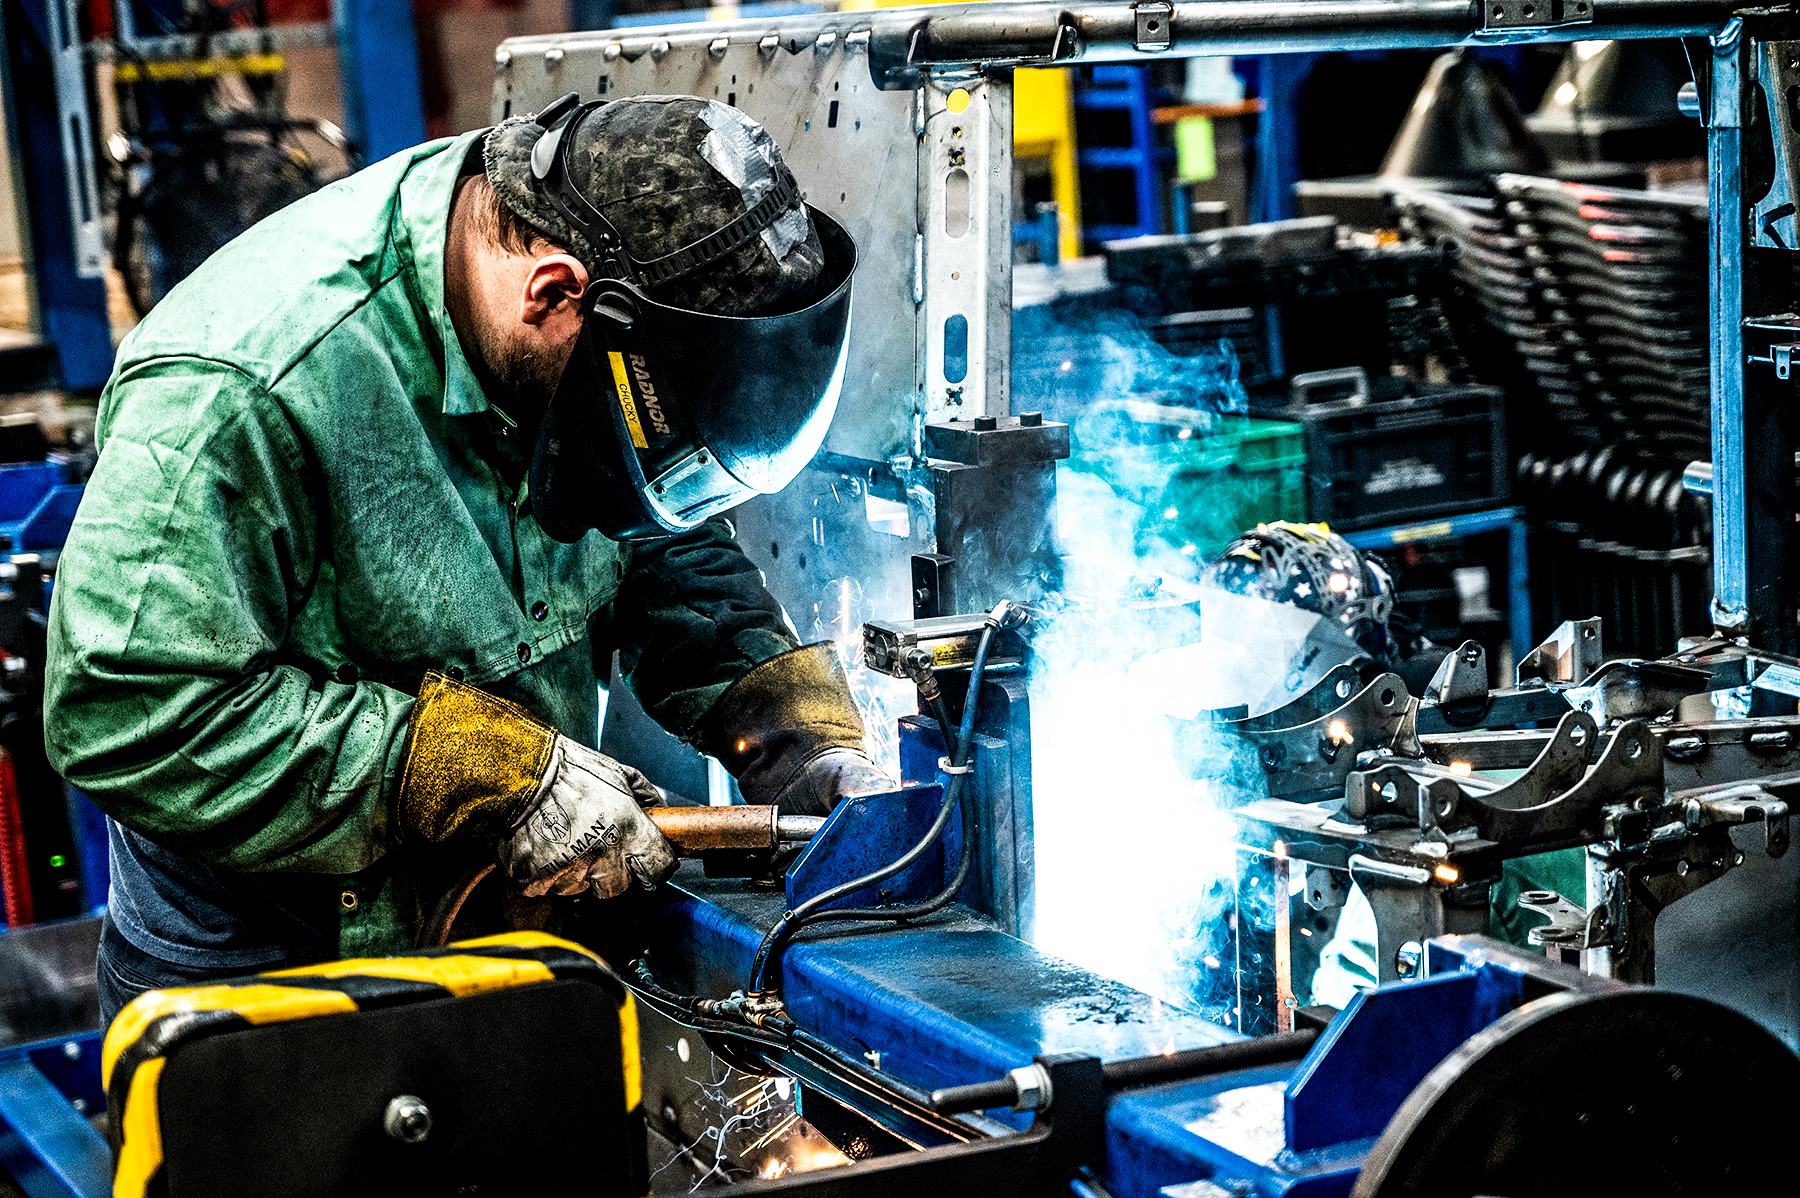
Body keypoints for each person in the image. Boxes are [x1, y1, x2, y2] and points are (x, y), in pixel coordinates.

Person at [45, 94, 890, 1023]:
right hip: (271, 976)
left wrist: (791, 733)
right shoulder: (243, 388)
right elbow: (121, 706)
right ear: (556, 296)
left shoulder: (581, 281)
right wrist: (471, 768)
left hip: (499, 927)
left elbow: (655, 527)